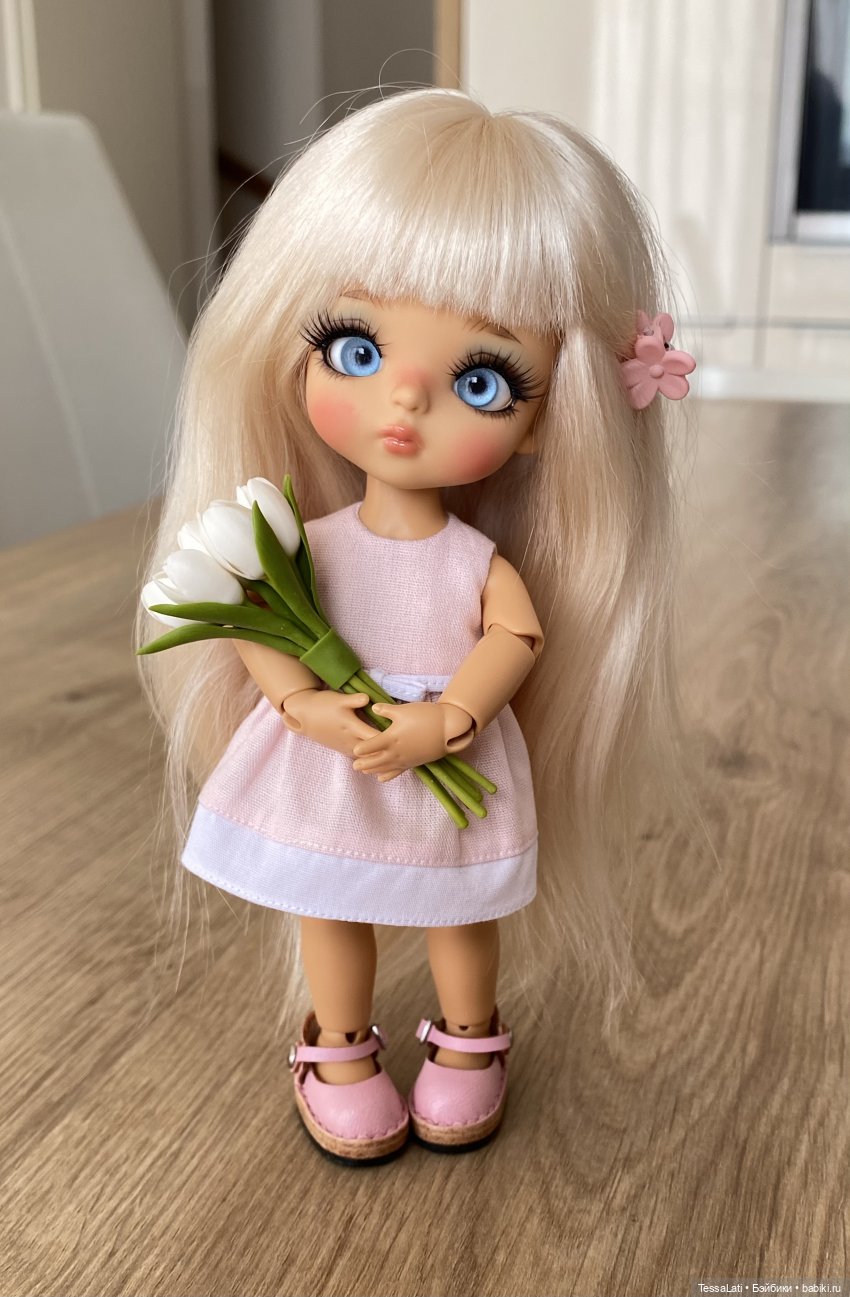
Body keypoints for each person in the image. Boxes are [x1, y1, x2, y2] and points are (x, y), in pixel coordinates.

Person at [137, 88, 694, 1164]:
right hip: (333, 754)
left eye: (480, 380)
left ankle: (470, 1037)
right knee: (329, 902)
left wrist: (452, 718)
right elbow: (257, 609)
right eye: (355, 348)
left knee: (458, 909)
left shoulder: (475, 563)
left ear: (550, 419)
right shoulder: (302, 538)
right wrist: (304, 704)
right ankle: (339, 1046)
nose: (402, 402)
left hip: (450, 750)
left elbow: (514, 640)